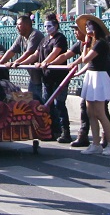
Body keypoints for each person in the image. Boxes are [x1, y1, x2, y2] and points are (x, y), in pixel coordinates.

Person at [70, 15, 110, 156]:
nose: (86, 29)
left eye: (88, 26)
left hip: (100, 77)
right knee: (90, 112)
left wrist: (85, 43)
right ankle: (96, 143)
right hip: (91, 76)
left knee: (100, 112)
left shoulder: (100, 43)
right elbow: (88, 64)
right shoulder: (93, 42)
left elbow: (85, 59)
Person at [33, 14, 70, 142]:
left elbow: (56, 52)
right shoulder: (44, 40)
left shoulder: (60, 38)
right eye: (45, 26)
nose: (47, 28)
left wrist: (45, 63)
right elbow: (36, 54)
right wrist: (17, 63)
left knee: (59, 104)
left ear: (56, 26)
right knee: (47, 104)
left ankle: (65, 131)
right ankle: (52, 130)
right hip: (46, 78)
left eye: (49, 26)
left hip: (59, 78)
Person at [0, 15, 45, 103]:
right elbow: (11, 51)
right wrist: (0, 64)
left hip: (43, 77)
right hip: (34, 77)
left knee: (45, 104)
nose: (16, 27)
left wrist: (15, 62)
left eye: (18, 24)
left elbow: (29, 52)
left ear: (27, 25)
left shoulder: (35, 35)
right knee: (32, 102)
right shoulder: (21, 37)